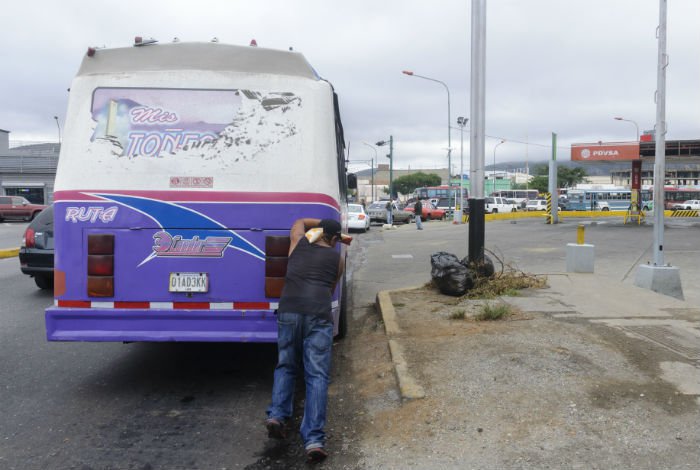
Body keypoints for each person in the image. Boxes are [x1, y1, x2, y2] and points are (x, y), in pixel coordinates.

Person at [266, 218, 346, 463]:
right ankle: (313, 439)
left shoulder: (298, 244)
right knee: (317, 376)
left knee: (286, 365)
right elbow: (330, 289)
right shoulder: (337, 259)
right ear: (333, 240)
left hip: (289, 310)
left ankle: (278, 415)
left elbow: (299, 222)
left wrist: (319, 223)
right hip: (317, 316)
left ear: (318, 232)